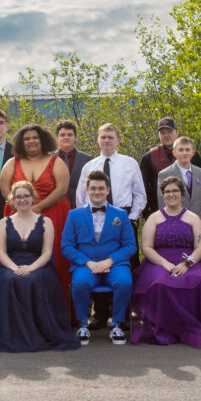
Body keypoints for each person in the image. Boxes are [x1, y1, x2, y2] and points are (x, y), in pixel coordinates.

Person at [0, 181, 79, 352]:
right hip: (11, 264)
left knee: (33, 279)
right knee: (10, 280)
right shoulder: (4, 222)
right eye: (18, 197)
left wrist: (31, 268)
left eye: (26, 196)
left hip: (39, 265)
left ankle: (39, 330)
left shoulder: (46, 222)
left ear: (33, 198)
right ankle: (14, 333)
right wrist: (14, 268)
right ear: (13, 200)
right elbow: (0, 252)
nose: (22, 200)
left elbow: (46, 253)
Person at [74, 123, 146, 326]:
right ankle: (100, 314)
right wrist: (85, 219)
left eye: (110, 137)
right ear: (98, 140)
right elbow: (80, 196)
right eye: (103, 137)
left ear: (118, 140)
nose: (106, 141)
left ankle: (124, 315)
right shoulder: (90, 166)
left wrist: (131, 218)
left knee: (126, 265)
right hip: (94, 220)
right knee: (97, 264)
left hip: (124, 219)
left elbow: (140, 194)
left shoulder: (129, 163)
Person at [132, 176, 201, 348]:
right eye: (167, 192)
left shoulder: (193, 218)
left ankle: (186, 327)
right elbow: (147, 247)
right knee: (160, 283)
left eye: (175, 190)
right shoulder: (154, 218)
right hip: (158, 261)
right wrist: (165, 264)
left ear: (182, 194)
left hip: (189, 260)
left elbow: (199, 247)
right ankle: (164, 327)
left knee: (194, 280)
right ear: (162, 195)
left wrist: (186, 265)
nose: (171, 194)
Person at [63, 171, 137, 346]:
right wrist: (88, 263)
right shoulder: (74, 215)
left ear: (108, 190)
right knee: (79, 283)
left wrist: (110, 260)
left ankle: (117, 324)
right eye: (93, 188)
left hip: (115, 264)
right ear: (87, 190)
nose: (97, 192)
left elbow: (130, 245)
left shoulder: (121, 214)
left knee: (125, 282)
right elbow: (66, 246)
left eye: (101, 188)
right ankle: (82, 324)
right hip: (86, 265)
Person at [0, 124, 71, 299]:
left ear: (43, 140)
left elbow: (61, 189)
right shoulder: (12, 163)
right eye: (26, 139)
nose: (31, 141)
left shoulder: (56, 161)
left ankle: (56, 305)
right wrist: (22, 208)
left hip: (54, 215)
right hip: (17, 215)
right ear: (20, 143)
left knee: (55, 258)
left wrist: (37, 208)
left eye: (35, 138)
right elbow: (5, 190)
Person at [140, 117, 201, 218]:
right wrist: (147, 214)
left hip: (190, 213)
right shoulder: (148, 157)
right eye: (162, 132)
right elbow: (143, 189)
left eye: (169, 131)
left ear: (177, 132)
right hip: (159, 213)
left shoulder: (193, 155)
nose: (166, 135)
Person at [156, 136, 201, 242]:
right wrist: (168, 228)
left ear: (193, 152)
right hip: (177, 228)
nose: (184, 153)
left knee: (200, 257)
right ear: (174, 153)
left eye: (187, 150)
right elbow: (162, 204)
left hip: (199, 227)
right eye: (181, 150)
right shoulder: (165, 174)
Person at [55, 119, 92, 208]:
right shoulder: (48, 159)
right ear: (57, 138)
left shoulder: (88, 160)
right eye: (62, 135)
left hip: (80, 207)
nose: (66, 137)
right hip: (55, 206)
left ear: (75, 137)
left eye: (70, 135)